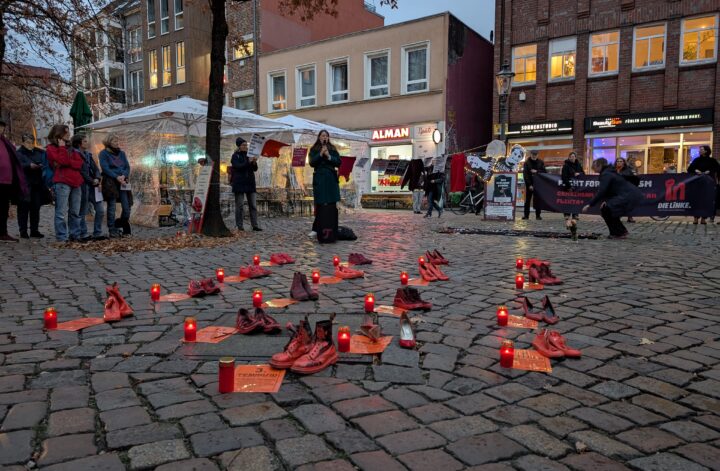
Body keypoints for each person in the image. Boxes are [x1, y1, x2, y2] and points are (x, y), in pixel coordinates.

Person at [582, 158, 643, 239]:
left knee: (607, 210)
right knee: (606, 209)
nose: (593, 169)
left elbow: (602, 191)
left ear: (600, 165)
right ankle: (620, 231)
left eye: (594, 167)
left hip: (628, 196)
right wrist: (606, 201)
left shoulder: (606, 174)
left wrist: (590, 204)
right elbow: (610, 189)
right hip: (628, 195)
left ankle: (618, 233)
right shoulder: (608, 172)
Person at [46, 125, 84, 242]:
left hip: (76, 182)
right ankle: (62, 237)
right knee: (61, 212)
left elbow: (79, 163)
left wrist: (67, 162)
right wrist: (62, 149)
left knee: (75, 212)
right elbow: (62, 161)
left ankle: (75, 235)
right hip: (62, 182)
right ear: (58, 134)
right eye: (66, 132)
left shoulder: (71, 148)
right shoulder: (51, 148)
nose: (68, 134)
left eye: (68, 132)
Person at [16, 133, 51, 238]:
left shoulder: (39, 152)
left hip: (37, 184)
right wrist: (28, 166)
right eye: (27, 142)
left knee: (35, 207)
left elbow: (45, 161)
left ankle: (34, 230)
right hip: (24, 184)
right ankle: (23, 231)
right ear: (23, 142)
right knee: (23, 207)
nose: (30, 144)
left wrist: (40, 165)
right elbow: (17, 165)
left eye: (32, 142)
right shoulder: (18, 153)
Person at [73, 134, 106, 240]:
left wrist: (97, 178)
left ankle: (97, 232)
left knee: (100, 209)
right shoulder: (75, 154)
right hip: (83, 186)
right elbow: (81, 172)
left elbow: (95, 168)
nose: (87, 142)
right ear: (79, 143)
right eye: (85, 141)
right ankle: (84, 233)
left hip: (94, 186)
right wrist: (92, 180)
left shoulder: (88, 154)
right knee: (83, 210)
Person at [309, 130, 341, 239]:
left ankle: (332, 228)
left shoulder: (332, 149)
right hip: (320, 179)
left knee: (331, 205)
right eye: (323, 135)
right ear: (319, 137)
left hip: (331, 179)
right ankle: (316, 228)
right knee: (320, 204)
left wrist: (329, 156)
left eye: (326, 136)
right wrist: (320, 154)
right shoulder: (313, 149)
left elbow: (338, 162)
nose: (325, 137)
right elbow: (312, 163)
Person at [0, 120, 28, 242]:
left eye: (2, 128)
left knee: (4, 207)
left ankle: (2, 232)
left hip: (7, 180)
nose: (1, 130)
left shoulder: (5, 142)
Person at [99, 133, 131, 238]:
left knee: (127, 207)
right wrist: (116, 176)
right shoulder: (103, 153)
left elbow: (127, 167)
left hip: (122, 181)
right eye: (114, 141)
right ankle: (112, 228)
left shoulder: (122, 153)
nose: (117, 143)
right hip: (111, 182)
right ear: (109, 142)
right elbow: (105, 168)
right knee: (112, 206)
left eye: (117, 141)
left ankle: (120, 223)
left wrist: (123, 175)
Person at [230, 137, 261, 231]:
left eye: (246, 145)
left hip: (250, 183)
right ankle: (240, 226)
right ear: (239, 146)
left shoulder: (249, 155)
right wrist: (248, 162)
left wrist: (254, 162)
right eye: (243, 145)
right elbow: (238, 166)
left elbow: (254, 169)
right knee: (239, 206)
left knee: (253, 205)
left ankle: (255, 225)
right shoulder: (235, 156)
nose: (245, 147)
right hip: (239, 183)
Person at [687, 145, 719, 225]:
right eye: (700, 149)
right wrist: (695, 170)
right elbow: (689, 169)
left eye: (701, 149)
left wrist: (710, 171)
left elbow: (717, 168)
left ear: (706, 151)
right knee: (697, 200)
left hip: (708, 183)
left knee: (706, 200)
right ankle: (695, 217)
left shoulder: (712, 160)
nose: (700, 150)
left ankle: (704, 218)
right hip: (698, 183)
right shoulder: (697, 160)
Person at [561, 151, 584, 224]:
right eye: (570, 156)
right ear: (569, 157)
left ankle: (575, 214)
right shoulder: (566, 165)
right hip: (568, 186)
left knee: (575, 201)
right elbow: (564, 176)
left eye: (573, 156)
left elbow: (583, 173)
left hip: (576, 186)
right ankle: (567, 214)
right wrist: (569, 186)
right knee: (567, 201)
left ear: (575, 157)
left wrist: (579, 173)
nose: (572, 158)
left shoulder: (578, 165)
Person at [522, 150, 546, 220]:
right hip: (529, 184)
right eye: (533, 154)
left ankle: (538, 216)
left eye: (535, 154)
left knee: (538, 200)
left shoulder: (541, 162)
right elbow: (525, 175)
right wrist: (529, 185)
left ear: (537, 155)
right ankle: (526, 216)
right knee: (527, 201)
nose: (534, 155)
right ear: (530, 154)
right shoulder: (527, 163)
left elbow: (544, 172)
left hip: (538, 184)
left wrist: (537, 171)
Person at [615, 157, 639, 223]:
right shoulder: (614, 170)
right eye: (618, 161)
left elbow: (632, 179)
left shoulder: (627, 170)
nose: (619, 162)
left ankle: (630, 217)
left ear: (623, 163)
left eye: (621, 161)